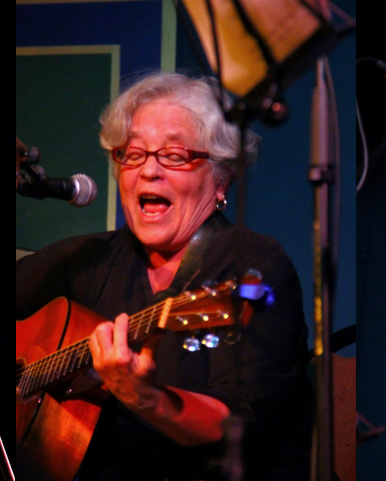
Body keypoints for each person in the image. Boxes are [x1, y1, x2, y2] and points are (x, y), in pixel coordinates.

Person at [16, 72, 313, 481]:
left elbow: (241, 427)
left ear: (221, 176)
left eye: (174, 155)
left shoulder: (253, 266)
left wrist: (147, 398)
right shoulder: (88, 259)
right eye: (133, 154)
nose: (149, 172)